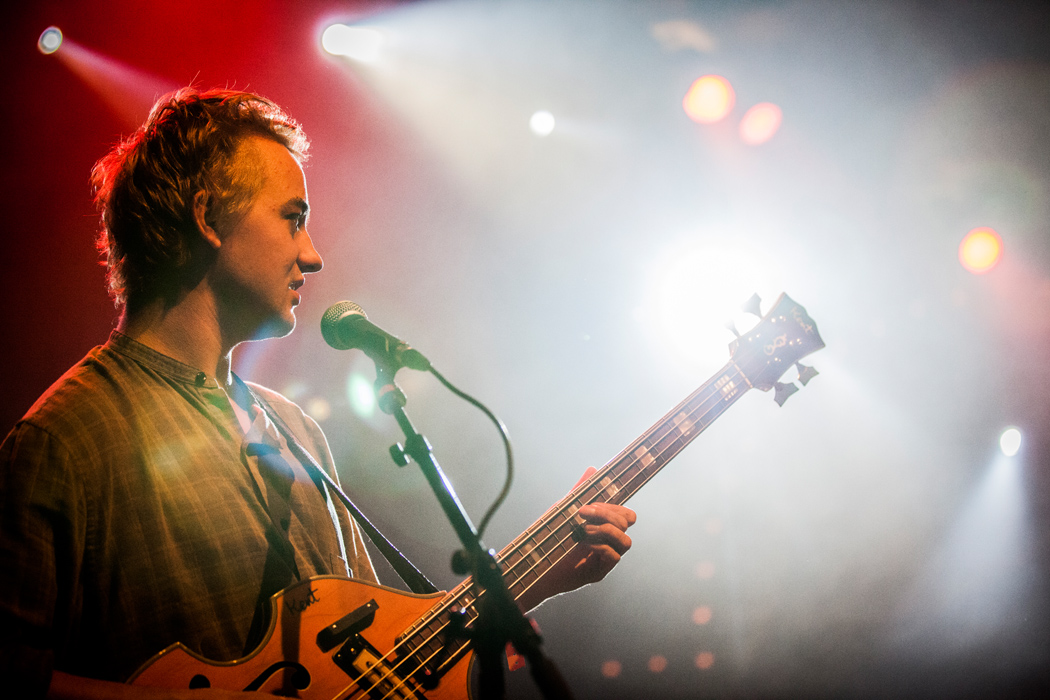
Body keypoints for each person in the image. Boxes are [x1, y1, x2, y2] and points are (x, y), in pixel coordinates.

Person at [0, 88, 636, 699]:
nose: (314, 255)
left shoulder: (295, 431)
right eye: (293, 219)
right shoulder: (63, 439)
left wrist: (525, 586)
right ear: (207, 218)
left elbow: (380, 667)